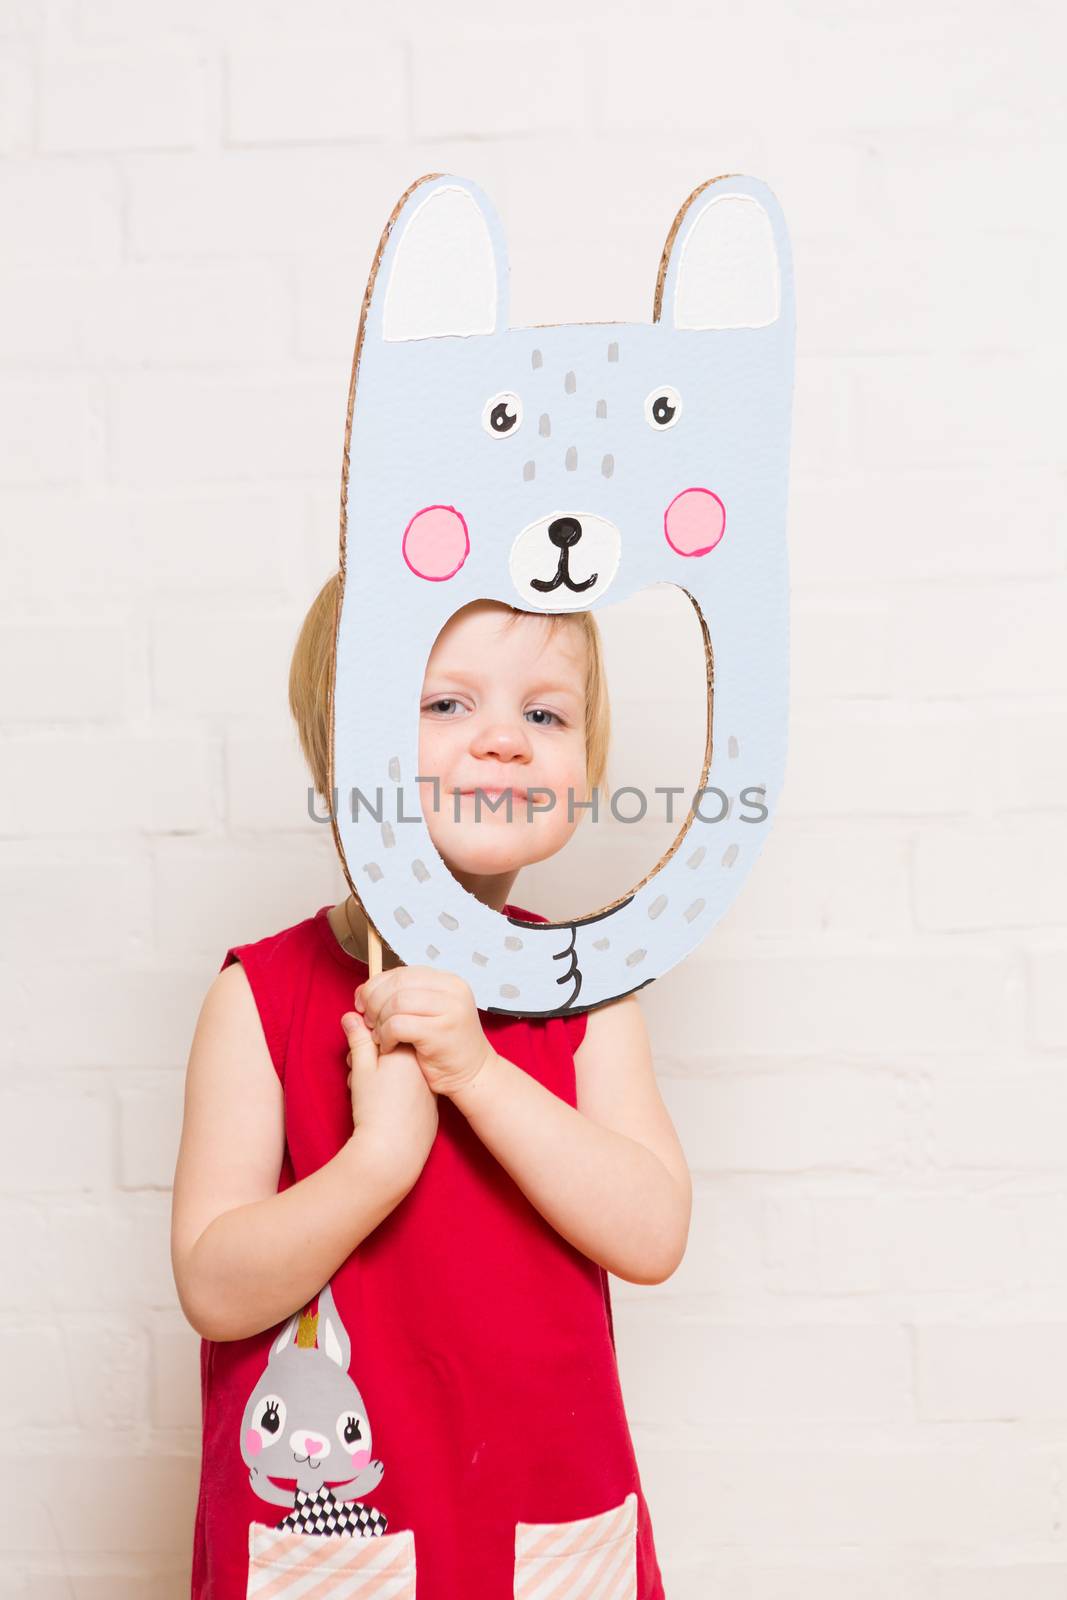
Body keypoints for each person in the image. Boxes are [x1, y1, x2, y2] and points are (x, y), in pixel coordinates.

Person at [171, 581, 691, 1599]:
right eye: (446, 704)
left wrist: (477, 1072)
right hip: (338, 1515)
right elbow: (213, 1287)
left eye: (544, 713)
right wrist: (375, 1163)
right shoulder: (260, 998)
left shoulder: (587, 998)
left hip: (542, 1508)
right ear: (343, 745)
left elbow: (652, 1233)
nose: (503, 740)